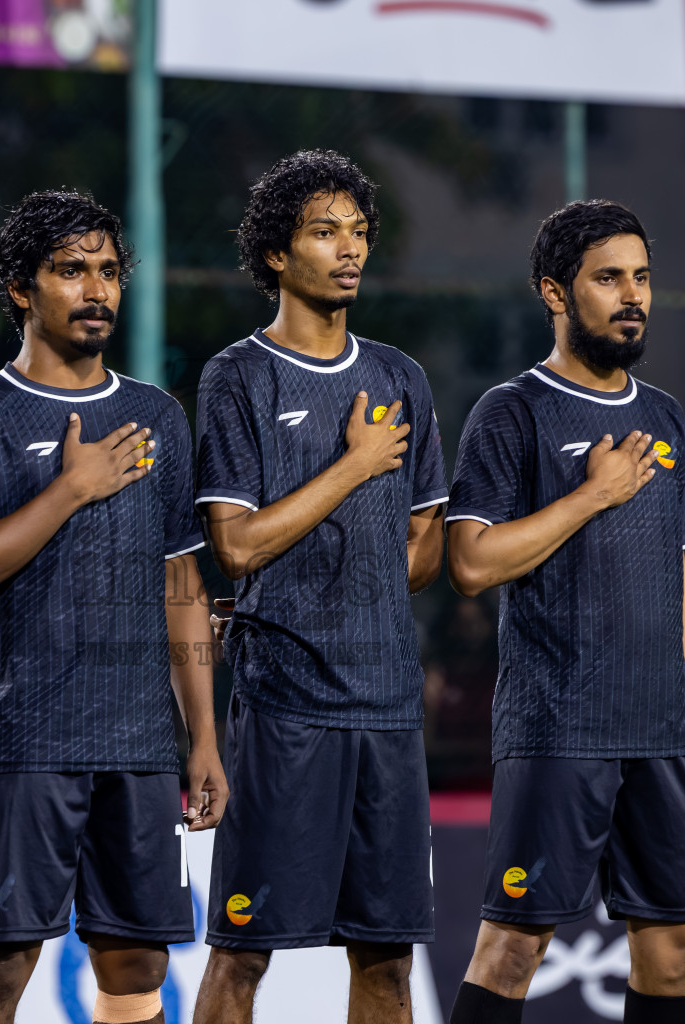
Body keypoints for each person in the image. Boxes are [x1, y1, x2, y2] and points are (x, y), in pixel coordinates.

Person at [0, 189, 227, 1024]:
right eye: (70, 271)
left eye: (107, 271)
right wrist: (69, 489)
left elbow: (181, 587)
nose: (95, 290)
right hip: (26, 739)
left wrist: (202, 737)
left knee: (135, 965)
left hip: (137, 748)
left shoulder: (155, 415)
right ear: (23, 288)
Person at [446, 200, 685, 1024]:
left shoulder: (664, 415)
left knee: (680, 951)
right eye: (609, 278)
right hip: (560, 726)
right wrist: (591, 496)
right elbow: (470, 563)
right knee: (511, 949)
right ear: (555, 292)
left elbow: (675, 582)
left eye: (641, 277)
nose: (632, 294)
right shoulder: (513, 410)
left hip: (665, 734)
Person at [192, 150, 448, 1024]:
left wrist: (362, 577)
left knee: (385, 963)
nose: (350, 250)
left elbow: (426, 544)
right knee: (241, 957)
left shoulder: (400, 377)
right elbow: (233, 547)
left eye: (360, 233)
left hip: (386, 710)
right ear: (276, 253)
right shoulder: (239, 376)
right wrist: (354, 468)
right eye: (325, 231)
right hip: (285, 709)